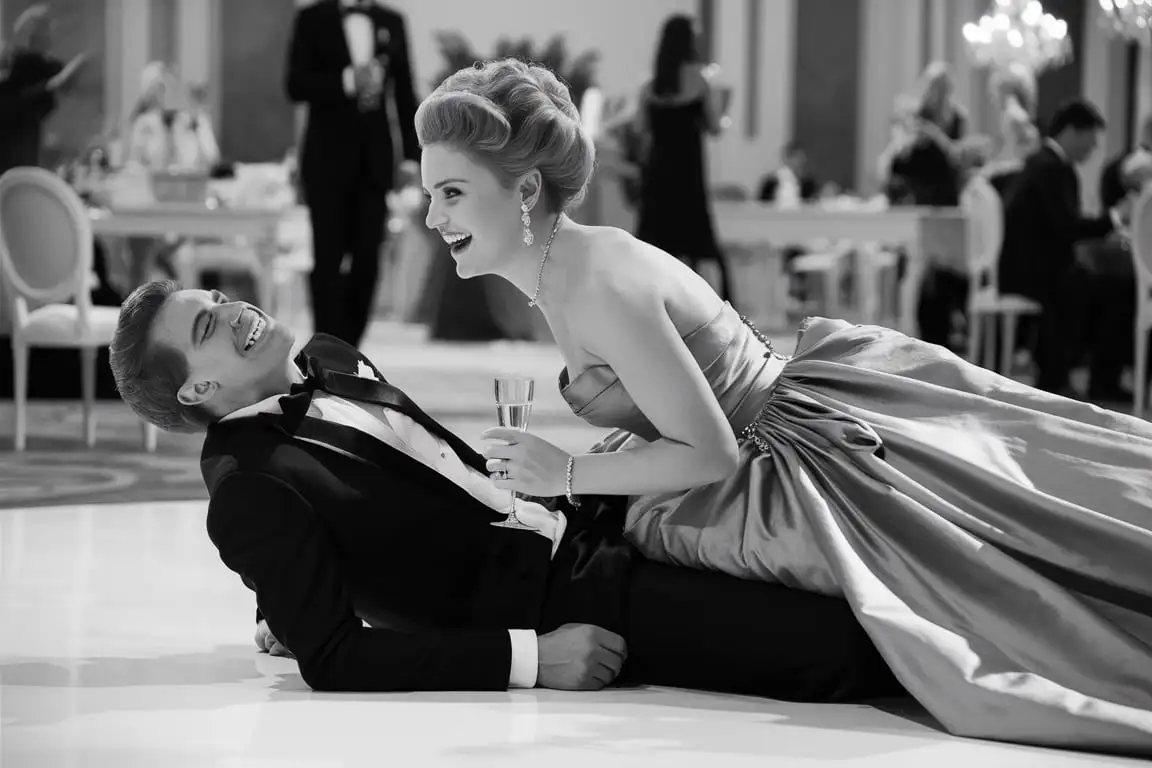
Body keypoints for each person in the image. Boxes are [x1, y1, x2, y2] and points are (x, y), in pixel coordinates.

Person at [416, 58, 1152, 754]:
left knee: (1019, 577)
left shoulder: (595, 284)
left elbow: (710, 453)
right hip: (787, 417)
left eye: (451, 192)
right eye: (430, 194)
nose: (431, 217)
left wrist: (568, 473)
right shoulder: (564, 268)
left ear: (524, 191)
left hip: (797, 458)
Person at [107, 279, 901, 699]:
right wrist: (533, 660)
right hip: (561, 602)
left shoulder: (330, 354)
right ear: (194, 391)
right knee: (828, 648)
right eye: (208, 326)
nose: (231, 308)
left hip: (586, 512)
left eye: (213, 299)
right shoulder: (249, 486)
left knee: (839, 529)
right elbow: (336, 658)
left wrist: (275, 598)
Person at [286, 0, 420, 347]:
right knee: (327, 259)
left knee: (368, 259)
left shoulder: (392, 21)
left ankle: (349, 346)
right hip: (325, 160)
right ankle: (329, 348)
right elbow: (295, 84)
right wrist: (348, 80)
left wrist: (410, 156)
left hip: (374, 162)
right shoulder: (311, 19)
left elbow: (404, 93)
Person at [1000, 99, 1118, 397]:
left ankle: (1067, 373)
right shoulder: (1051, 168)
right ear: (1072, 132)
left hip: (1029, 266)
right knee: (1102, 288)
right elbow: (1068, 228)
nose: (1091, 151)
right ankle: (1073, 378)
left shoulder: (1043, 162)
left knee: (1089, 280)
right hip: (1033, 272)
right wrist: (1114, 219)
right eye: (1090, 142)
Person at [632, 14, 732, 301]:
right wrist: (725, 117)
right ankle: (706, 306)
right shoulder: (700, 80)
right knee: (699, 243)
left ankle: (649, 302)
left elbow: (640, 128)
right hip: (689, 175)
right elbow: (714, 127)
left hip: (658, 174)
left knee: (655, 243)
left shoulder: (650, 86)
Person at [0, 5, 86, 176]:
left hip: (22, 160)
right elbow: (17, 102)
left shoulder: (35, 65)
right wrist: (56, 82)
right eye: (46, 32)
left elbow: (55, 75)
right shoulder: (16, 65)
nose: (51, 38)